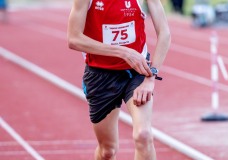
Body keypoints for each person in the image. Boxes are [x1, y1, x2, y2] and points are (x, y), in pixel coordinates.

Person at [67, 0, 171, 159]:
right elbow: (74, 39)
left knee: (143, 136)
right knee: (107, 151)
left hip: (137, 71)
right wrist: (122, 52)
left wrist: (150, 78)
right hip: (100, 76)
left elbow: (164, 33)